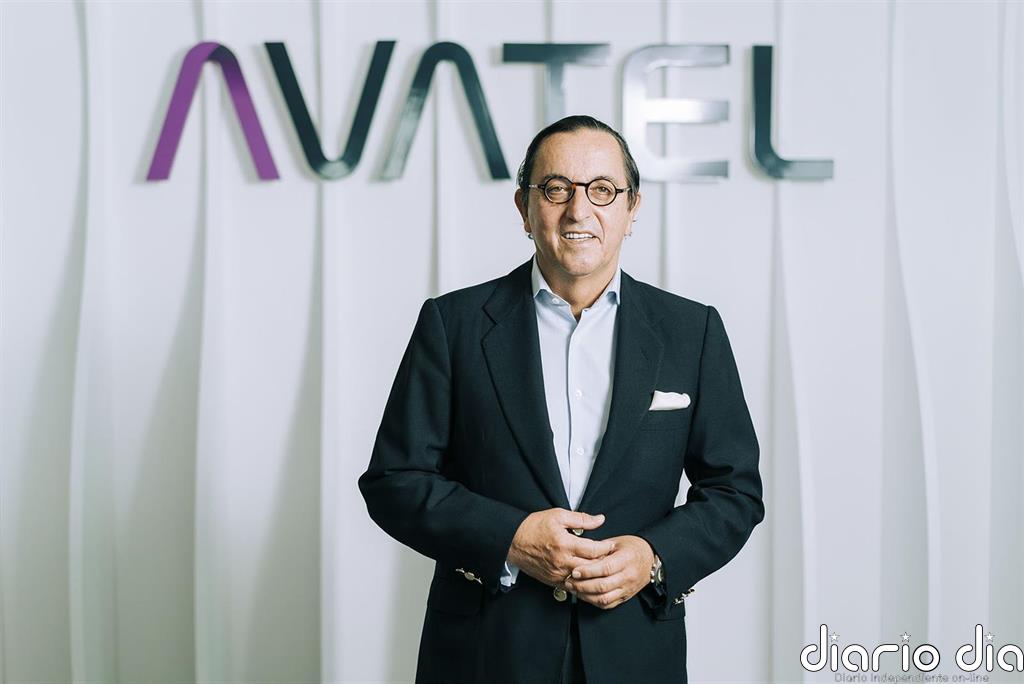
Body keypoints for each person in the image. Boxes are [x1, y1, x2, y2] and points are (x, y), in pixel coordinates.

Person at [358, 114, 764, 684]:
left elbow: (734, 490)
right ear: (524, 209)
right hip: (485, 655)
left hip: (634, 653)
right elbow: (394, 480)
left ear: (632, 208)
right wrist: (510, 539)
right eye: (555, 189)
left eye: (603, 190)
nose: (579, 210)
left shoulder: (691, 331)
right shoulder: (452, 325)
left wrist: (653, 556)